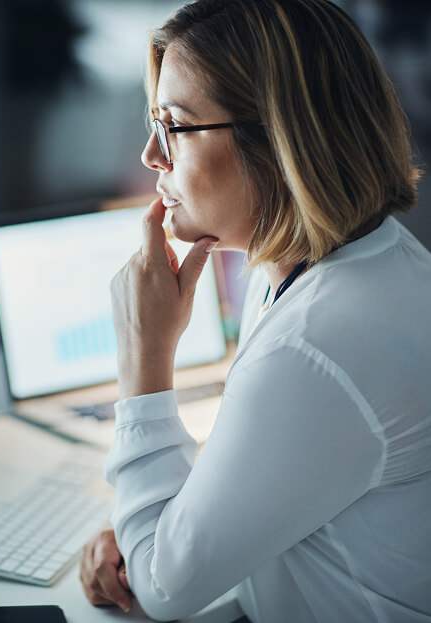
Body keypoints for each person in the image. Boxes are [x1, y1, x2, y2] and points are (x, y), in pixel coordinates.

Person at [79, 0, 431, 621]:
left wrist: (144, 358)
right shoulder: (344, 261)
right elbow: (263, 471)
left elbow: (164, 591)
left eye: (174, 126)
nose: (150, 157)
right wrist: (157, 526)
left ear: (277, 138)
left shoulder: (318, 344)